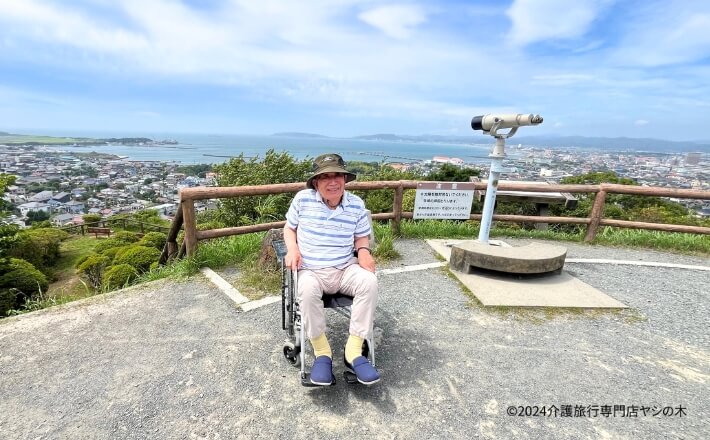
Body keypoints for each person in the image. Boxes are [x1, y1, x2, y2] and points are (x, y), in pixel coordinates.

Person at [283, 153, 380, 386]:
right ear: (316, 182)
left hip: (345, 267)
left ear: (345, 179)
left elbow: (361, 236)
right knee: (305, 290)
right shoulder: (303, 200)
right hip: (312, 270)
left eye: (337, 175)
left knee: (369, 282)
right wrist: (292, 249)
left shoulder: (356, 204)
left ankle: (354, 351)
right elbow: (289, 228)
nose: (332, 181)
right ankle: (322, 352)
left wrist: (364, 251)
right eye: (325, 176)